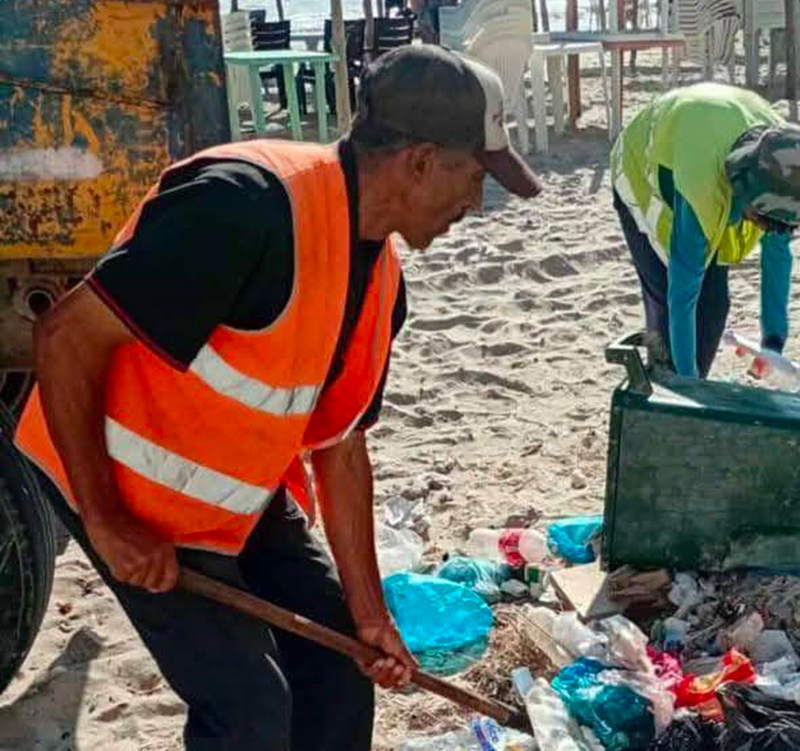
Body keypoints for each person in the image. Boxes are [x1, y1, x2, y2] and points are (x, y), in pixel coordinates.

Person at [15, 46, 540, 751]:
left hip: (232, 488)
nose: (474, 203)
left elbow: (341, 446)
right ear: (420, 161)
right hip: (124, 483)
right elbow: (64, 337)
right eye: (473, 177)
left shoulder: (383, 286)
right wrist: (108, 522)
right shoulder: (244, 205)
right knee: (250, 712)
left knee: (339, 664)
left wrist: (368, 614)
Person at [610, 83, 800, 380]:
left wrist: (772, 346)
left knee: (714, 305)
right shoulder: (703, 189)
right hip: (641, 162)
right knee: (669, 293)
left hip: (706, 127)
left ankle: (688, 383)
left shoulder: (787, 169)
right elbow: (682, 294)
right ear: (746, 189)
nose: (767, 226)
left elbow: (777, 260)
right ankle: (665, 392)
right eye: (764, 215)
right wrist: (689, 388)